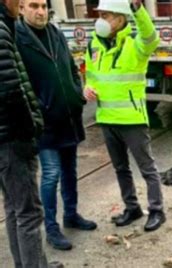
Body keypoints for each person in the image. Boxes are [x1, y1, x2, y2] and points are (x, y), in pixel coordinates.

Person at [15, 0, 97, 251]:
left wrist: (75, 92)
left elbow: (71, 68)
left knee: (70, 170)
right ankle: (51, 228)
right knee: (51, 174)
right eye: (33, 5)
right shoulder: (17, 39)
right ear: (21, 8)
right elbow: (19, 80)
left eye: (43, 6)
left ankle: (70, 215)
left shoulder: (56, 33)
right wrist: (39, 108)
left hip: (67, 116)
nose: (41, 11)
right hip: (44, 122)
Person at [84, 0, 165, 232]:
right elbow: (90, 76)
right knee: (121, 169)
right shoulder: (94, 46)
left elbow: (151, 37)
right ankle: (132, 208)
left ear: (121, 19)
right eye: (100, 14)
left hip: (132, 120)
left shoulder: (136, 44)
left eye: (107, 15)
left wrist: (138, 10)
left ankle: (157, 210)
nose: (102, 20)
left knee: (147, 168)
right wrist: (86, 88)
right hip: (107, 118)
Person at [0, 0, 50, 266]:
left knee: (14, 208)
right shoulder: (1, 30)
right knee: (29, 214)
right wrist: (31, 128)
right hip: (13, 139)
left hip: (5, 138)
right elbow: (10, 90)